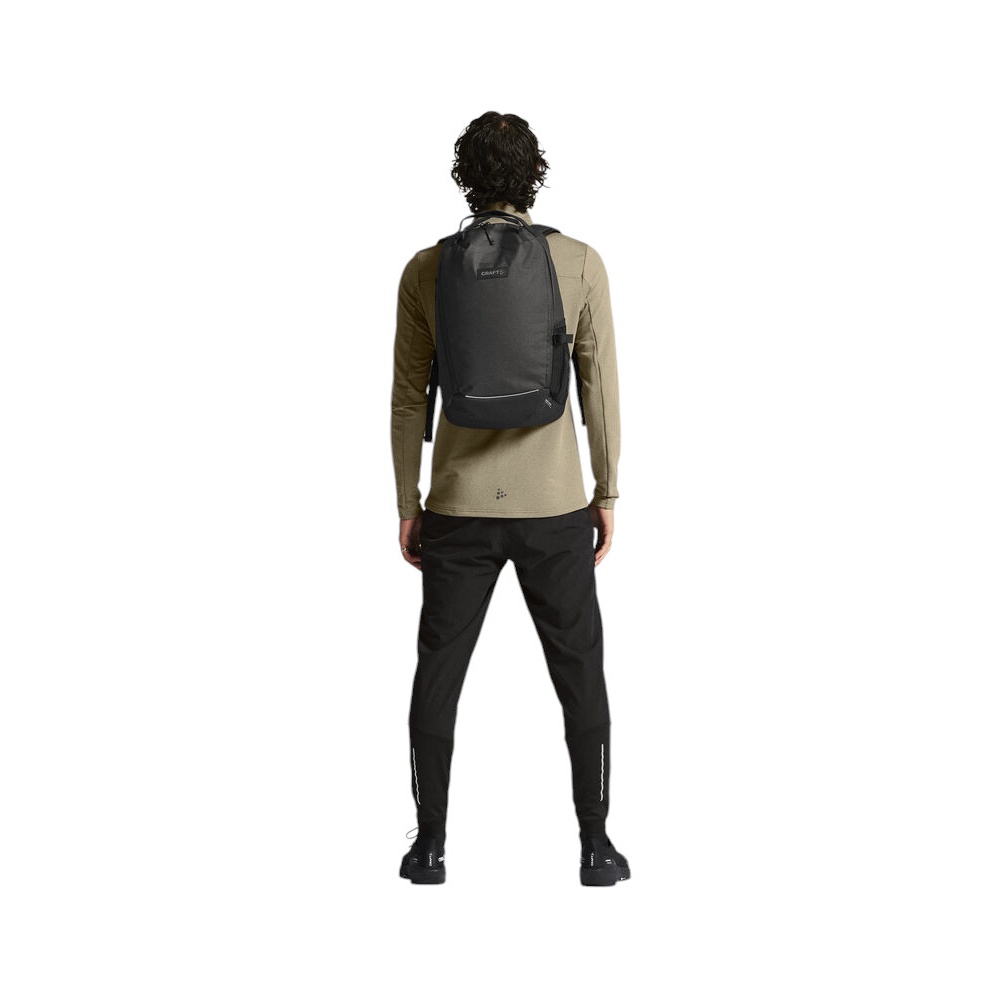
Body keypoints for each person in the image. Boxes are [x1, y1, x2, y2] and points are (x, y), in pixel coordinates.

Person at [390, 111, 629, 887]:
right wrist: (606, 490)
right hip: (554, 507)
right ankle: (596, 848)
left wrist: (408, 502)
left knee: (438, 674)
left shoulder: (426, 270)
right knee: (579, 672)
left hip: (457, 507)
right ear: (536, 177)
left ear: (464, 178)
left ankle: (429, 847)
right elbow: (600, 392)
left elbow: (407, 400)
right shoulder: (581, 263)